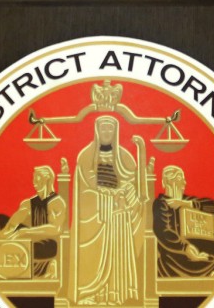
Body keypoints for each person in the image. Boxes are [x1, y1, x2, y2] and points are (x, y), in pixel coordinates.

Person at [73, 116, 146, 304]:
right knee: (95, 255)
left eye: (110, 129)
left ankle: (118, 293)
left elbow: (131, 181)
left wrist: (124, 191)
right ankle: (91, 294)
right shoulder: (86, 155)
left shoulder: (123, 156)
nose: (107, 132)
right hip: (96, 214)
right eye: (103, 129)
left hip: (118, 214)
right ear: (97, 131)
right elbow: (87, 185)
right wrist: (105, 194)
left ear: (115, 132)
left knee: (118, 250)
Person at [0, 166, 67, 278]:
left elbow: (55, 229)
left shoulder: (56, 203)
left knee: (40, 245)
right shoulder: (28, 203)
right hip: (28, 237)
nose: (34, 183)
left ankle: (49, 267)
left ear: (47, 180)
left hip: (47, 242)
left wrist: (25, 232)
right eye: (34, 179)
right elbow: (10, 227)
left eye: (37, 179)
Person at [152, 165, 214, 278]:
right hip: (175, 255)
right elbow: (164, 232)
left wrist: (189, 204)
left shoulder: (187, 201)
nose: (184, 183)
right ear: (169, 182)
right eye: (180, 178)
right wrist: (185, 247)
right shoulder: (161, 204)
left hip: (196, 248)